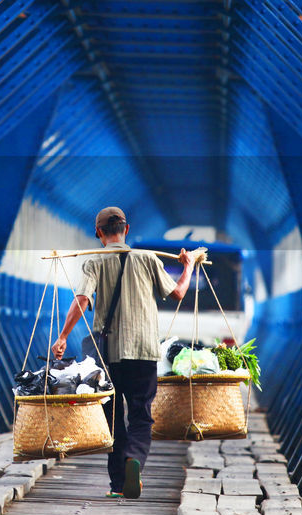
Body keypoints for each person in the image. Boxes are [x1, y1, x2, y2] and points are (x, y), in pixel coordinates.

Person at [51, 206, 203, 499]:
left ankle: (118, 484)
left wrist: (62, 336)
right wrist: (188, 265)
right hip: (144, 351)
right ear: (127, 229)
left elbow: (82, 300)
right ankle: (135, 458)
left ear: (98, 233)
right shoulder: (147, 259)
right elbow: (179, 293)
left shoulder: (94, 261)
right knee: (141, 415)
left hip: (107, 354)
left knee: (111, 418)